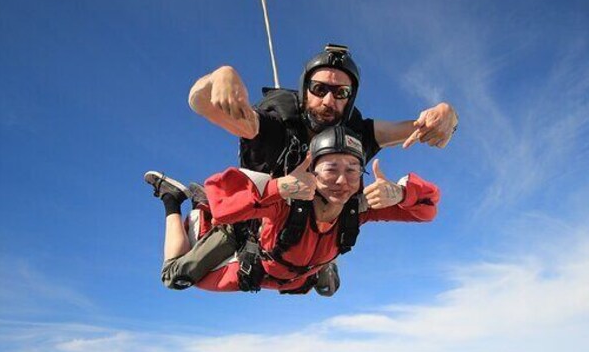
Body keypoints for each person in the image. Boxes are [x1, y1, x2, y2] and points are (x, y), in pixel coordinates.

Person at [186, 44, 456, 293]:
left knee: (331, 231)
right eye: (319, 89)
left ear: (350, 99)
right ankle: (181, 204)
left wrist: (446, 115)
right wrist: (219, 77)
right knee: (182, 275)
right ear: (304, 89)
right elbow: (202, 103)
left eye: (341, 93)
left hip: (319, 235)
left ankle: (323, 260)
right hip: (261, 227)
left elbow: (420, 129)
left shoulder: (355, 137)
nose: (329, 101)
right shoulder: (273, 128)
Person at [144, 126, 440, 294]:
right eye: (330, 169)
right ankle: (174, 199)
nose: (342, 181)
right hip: (257, 269)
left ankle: (323, 263)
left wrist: (401, 193)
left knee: (327, 288)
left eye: (352, 170)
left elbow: (428, 209)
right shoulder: (286, 203)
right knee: (175, 278)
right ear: (311, 171)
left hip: (301, 273)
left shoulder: (359, 208)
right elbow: (222, 201)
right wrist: (278, 188)